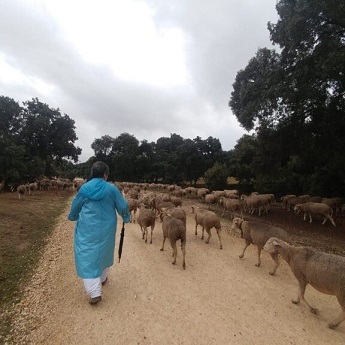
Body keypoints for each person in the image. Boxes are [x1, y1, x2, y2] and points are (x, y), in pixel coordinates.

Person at [68, 161, 130, 305]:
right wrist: (126, 217)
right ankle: (102, 279)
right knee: (104, 251)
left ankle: (95, 291)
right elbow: (123, 205)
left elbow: (76, 205)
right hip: (107, 229)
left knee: (86, 255)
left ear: (92, 173)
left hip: (87, 229)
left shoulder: (84, 189)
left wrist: (73, 216)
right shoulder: (112, 189)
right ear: (105, 174)